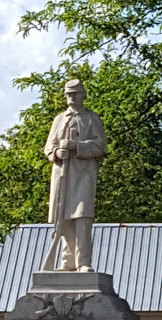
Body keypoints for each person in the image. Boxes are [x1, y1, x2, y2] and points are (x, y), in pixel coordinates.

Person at [44, 79, 107, 272]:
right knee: (62, 219)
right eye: (68, 94)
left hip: (83, 175)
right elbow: (48, 147)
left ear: (83, 95)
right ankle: (67, 262)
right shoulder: (59, 120)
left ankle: (83, 262)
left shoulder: (91, 119)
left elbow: (100, 146)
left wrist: (77, 147)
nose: (71, 98)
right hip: (62, 174)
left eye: (75, 94)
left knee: (82, 217)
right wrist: (56, 153)